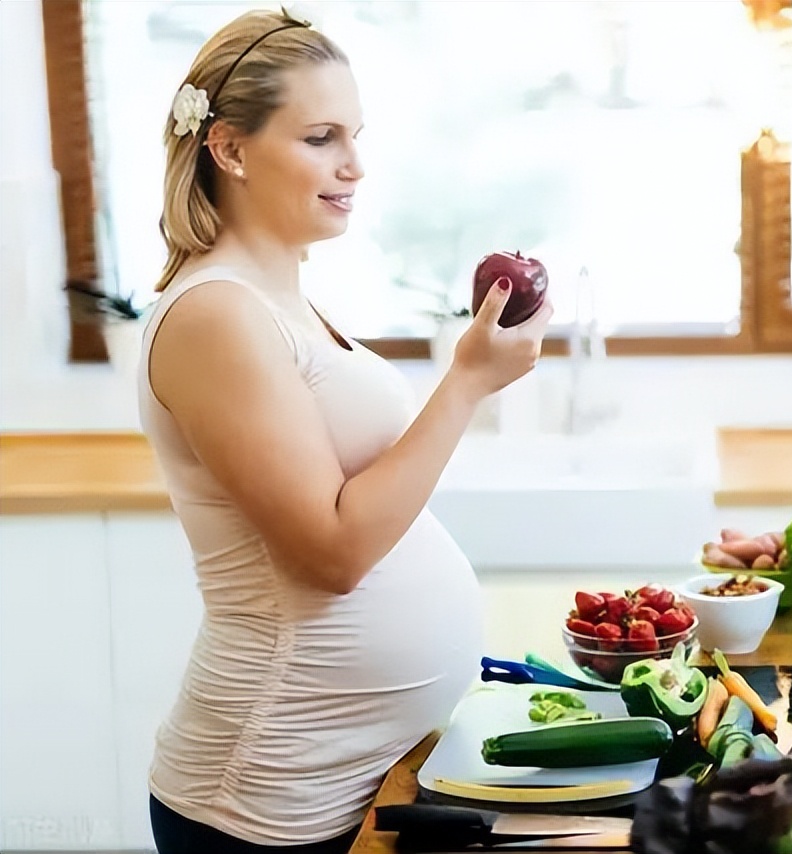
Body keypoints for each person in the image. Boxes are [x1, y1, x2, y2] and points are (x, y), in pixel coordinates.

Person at [137, 10, 553, 852]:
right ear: (230, 149)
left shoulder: (278, 300)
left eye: (356, 136)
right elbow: (330, 555)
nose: (355, 165)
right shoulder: (215, 316)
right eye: (321, 137)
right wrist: (468, 384)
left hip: (345, 782)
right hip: (267, 801)